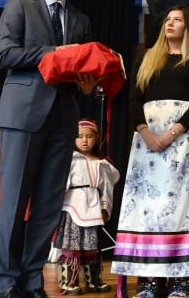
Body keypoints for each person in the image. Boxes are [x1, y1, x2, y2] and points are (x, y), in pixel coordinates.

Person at [0, 0, 95, 298]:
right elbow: (5, 54)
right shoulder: (19, 5)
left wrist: (87, 82)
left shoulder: (80, 20)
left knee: (48, 207)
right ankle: (6, 282)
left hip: (63, 121)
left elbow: (80, 73)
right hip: (22, 118)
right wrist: (55, 53)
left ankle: (32, 280)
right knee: (13, 203)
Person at [111, 6, 189, 298]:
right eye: (167, 20)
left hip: (185, 143)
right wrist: (146, 132)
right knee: (149, 208)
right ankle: (149, 279)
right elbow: (134, 98)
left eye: (178, 20)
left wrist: (172, 132)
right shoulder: (147, 59)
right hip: (148, 145)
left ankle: (184, 281)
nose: (170, 24)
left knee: (185, 207)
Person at [54, 119, 120, 294]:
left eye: (89, 136)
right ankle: (69, 282)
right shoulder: (71, 160)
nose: (84, 140)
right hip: (73, 207)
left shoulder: (102, 164)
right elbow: (61, 184)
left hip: (92, 207)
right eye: (80, 136)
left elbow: (107, 187)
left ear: (96, 138)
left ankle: (93, 281)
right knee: (72, 244)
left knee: (92, 246)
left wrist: (105, 208)